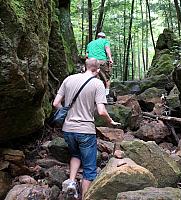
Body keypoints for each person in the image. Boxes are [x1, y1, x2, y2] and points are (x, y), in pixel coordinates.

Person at [53, 58, 120, 199]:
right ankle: (85, 197)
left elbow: (56, 103)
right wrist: (111, 121)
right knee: (89, 168)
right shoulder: (98, 84)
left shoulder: (69, 79)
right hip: (85, 130)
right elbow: (101, 111)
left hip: (68, 129)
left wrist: (67, 115)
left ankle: (71, 182)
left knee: (75, 155)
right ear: (98, 70)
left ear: (85, 66)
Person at [86, 32, 113, 97]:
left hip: (90, 62)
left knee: (92, 78)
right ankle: (106, 94)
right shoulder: (105, 41)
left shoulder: (90, 43)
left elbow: (86, 55)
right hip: (101, 61)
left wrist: (86, 64)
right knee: (106, 77)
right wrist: (110, 58)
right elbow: (107, 49)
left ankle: (92, 94)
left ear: (97, 37)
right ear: (104, 37)